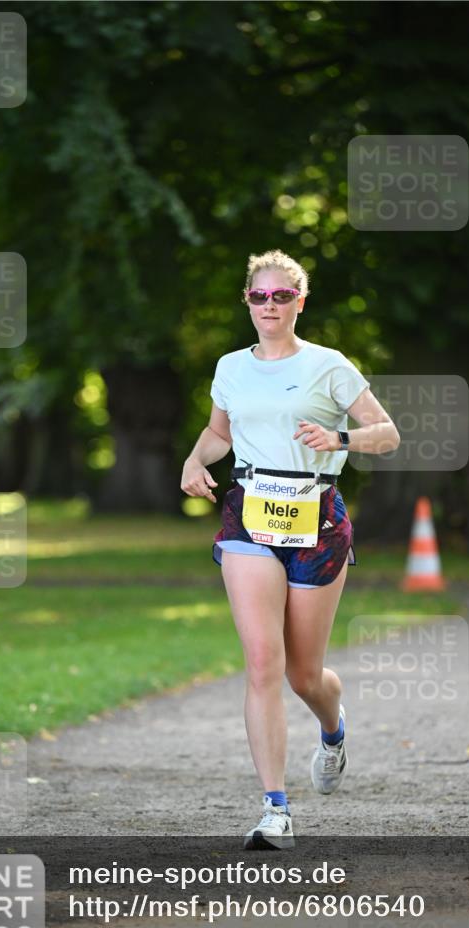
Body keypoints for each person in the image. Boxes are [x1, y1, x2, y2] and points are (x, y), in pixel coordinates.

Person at [181, 249, 400, 849]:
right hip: (249, 514)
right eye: (260, 296)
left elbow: (387, 433)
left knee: (305, 675)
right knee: (262, 663)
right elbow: (218, 433)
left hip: (317, 519)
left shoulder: (329, 366)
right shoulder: (231, 367)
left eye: (282, 296)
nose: (270, 305)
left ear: (300, 302)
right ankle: (275, 811)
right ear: (247, 302)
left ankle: (332, 728)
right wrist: (194, 460)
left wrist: (340, 437)